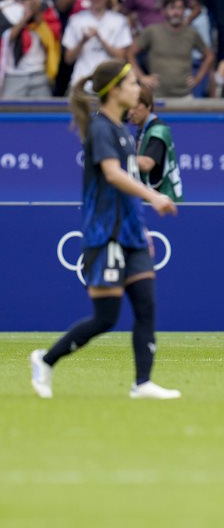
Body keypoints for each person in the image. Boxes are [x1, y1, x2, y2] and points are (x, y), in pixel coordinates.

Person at [29, 59, 181, 400]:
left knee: (146, 305)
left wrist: (141, 230)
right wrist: (154, 197)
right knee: (106, 317)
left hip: (130, 235)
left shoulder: (124, 132)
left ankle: (142, 383)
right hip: (105, 235)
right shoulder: (100, 129)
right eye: (131, 84)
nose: (137, 89)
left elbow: (126, 189)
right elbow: (113, 175)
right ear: (114, 90)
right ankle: (46, 360)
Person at [127, 0, 213, 98]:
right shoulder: (152, 31)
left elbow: (209, 55)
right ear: (164, 11)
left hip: (185, 95)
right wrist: (141, 77)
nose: (176, 12)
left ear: (184, 11)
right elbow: (130, 53)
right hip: (157, 95)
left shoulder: (191, 33)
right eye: (172, 8)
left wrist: (197, 79)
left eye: (180, 8)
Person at [0, 0, 61, 97]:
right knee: (7, 110)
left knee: (45, 111)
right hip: (14, 75)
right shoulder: (4, 8)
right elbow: (5, 39)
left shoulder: (43, 5)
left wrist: (37, 13)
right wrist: (26, 17)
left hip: (39, 73)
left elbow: (52, 37)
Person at [61, 0, 132, 85]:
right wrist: (82, 41)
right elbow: (68, 59)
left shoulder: (119, 20)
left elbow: (122, 57)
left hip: (110, 83)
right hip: (81, 80)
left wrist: (100, 38)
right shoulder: (76, 20)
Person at [130, 84, 184, 201]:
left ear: (148, 106)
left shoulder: (158, 130)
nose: (131, 112)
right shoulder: (142, 129)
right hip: (154, 200)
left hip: (166, 199)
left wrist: (117, 157)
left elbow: (147, 164)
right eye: (129, 107)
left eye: (135, 107)